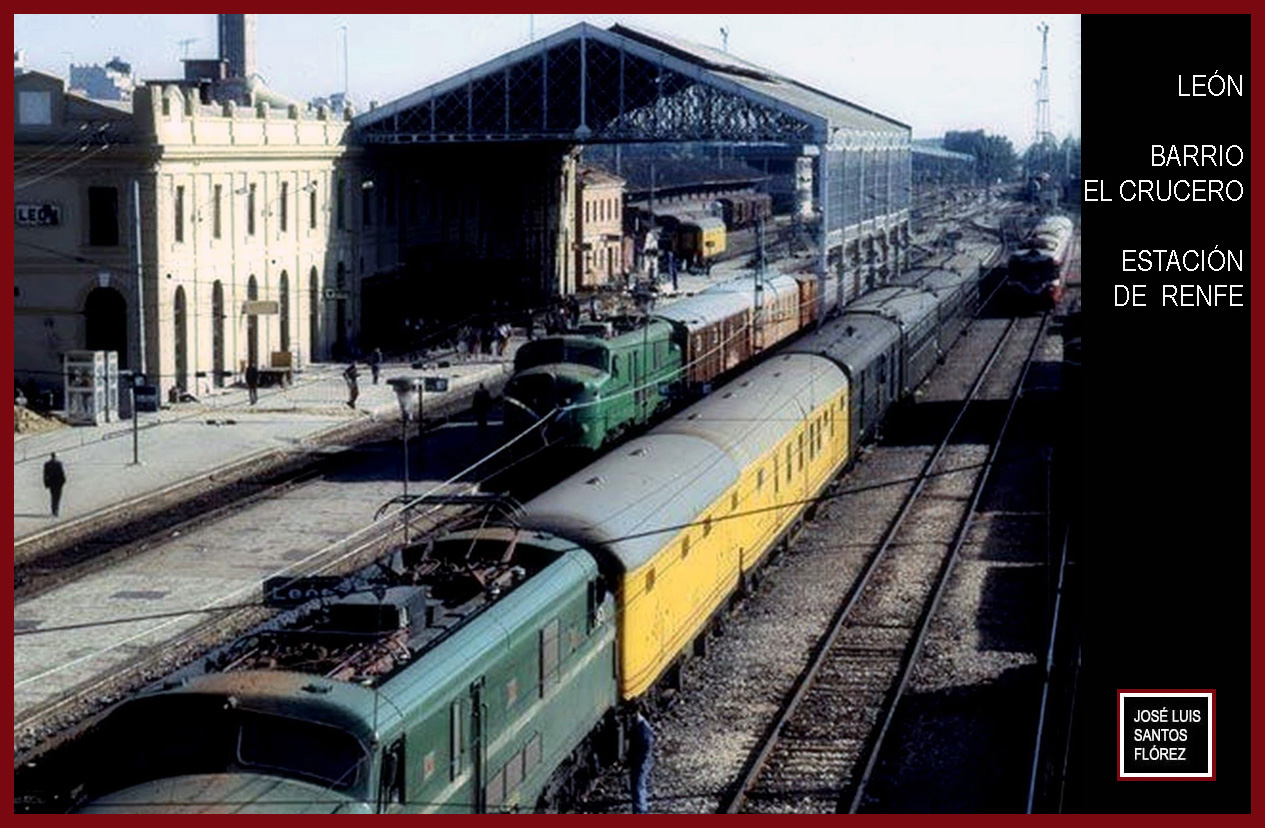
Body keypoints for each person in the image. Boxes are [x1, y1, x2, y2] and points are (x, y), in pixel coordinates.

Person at [629, 703, 655, 814]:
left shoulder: (643, 730)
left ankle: (640, 811)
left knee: (638, 785)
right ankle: (641, 809)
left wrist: (638, 760)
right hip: (642, 760)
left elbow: (647, 746)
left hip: (641, 761)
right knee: (639, 785)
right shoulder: (642, 726)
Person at [43, 452, 66, 517]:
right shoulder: (59, 464)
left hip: (52, 483)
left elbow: (45, 475)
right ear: (55, 457)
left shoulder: (47, 464)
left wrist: (46, 483)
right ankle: (56, 510)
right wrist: (63, 481)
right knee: (57, 497)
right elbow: (62, 473)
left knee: (53, 497)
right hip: (58, 483)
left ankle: (53, 510)